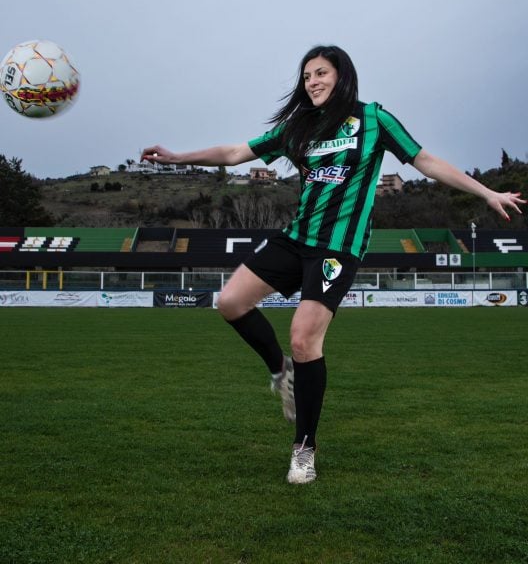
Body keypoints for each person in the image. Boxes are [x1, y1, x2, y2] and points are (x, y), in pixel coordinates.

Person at [141, 44, 525, 485]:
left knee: (305, 339)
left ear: (342, 76)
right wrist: (175, 158)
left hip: (338, 249)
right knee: (229, 302)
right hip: (296, 238)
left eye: (320, 73)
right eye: (307, 76)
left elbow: (425, 161)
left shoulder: (374, 119)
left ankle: (304, 449)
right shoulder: (298, 127)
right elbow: (233, 153)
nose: (313, 82)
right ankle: (279, 370)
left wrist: (488, 193)